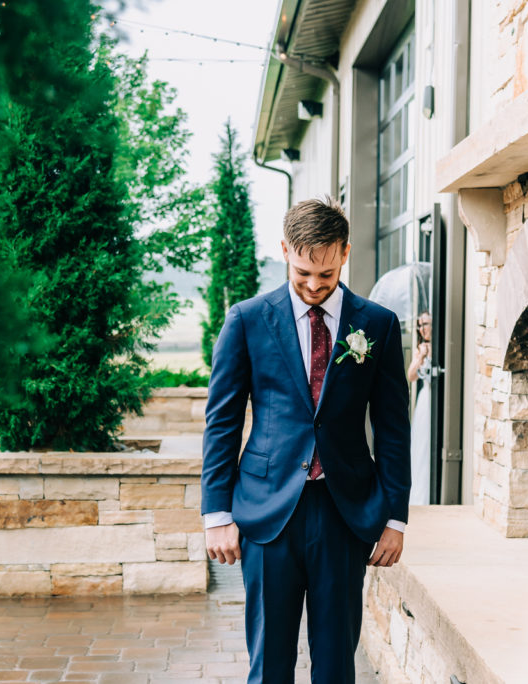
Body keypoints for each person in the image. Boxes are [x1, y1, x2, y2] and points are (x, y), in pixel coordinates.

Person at [201, 197, 411, 684]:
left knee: (336, 664)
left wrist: (395, 517)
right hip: (266, 512)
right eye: (302, 275)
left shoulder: (377, 324)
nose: (314, 286)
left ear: (344, 253)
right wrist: (217, 515)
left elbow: (393, 428)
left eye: (326, 274)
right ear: (284, 252)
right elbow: (222, 423)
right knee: (269, 666)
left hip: (345, 514)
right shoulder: (247, 320)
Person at [407, 312, 432, 506]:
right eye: (420, 325)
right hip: (426, 397)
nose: (424, 328)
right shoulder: (420, 349)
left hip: (436, 397)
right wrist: (421, 356)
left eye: (427, 324)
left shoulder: (439, 345)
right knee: (421, 443)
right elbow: (411, 376)